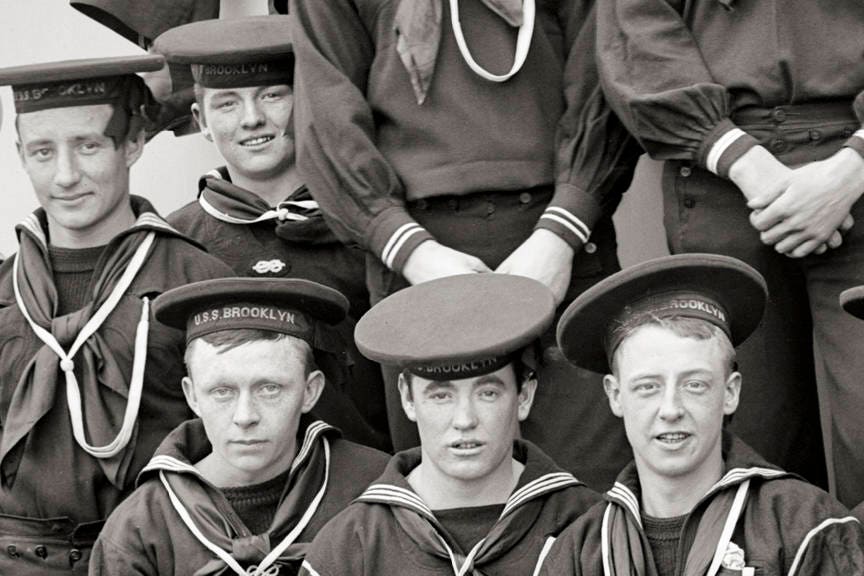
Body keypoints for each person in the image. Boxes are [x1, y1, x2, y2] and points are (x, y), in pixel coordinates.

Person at [289, 0, 640, 489]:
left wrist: (562, 231)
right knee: (449, 495)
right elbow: (325, 115)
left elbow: (606, 76)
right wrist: (408, 248)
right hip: (421, 259)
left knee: (586, 486)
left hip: (559, 249)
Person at [596, 0, 864, 502]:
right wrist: (749, 165)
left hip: (854, 165)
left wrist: (853, 168)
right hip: (722, 174)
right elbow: (636, 27)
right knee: (749, 440)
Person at [0, 55, 232, 574]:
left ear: (132, 144)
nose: (65, 176)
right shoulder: (2, 288)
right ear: (20, 155)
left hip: (154, 553)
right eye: (42, 151)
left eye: (87, 146)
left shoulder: (201, 283)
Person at [537, 253, 864, 575]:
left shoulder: (806, 527)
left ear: (730, 392)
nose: (670, 410)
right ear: (615, 395)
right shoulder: (578, 554)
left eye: (694, 384)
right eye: (647, 387)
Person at [152, 16, 389, 450]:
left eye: (273, 96)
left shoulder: (368, 226)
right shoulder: (173, 242)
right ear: (199, 119)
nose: (252, 119)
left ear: (307, 105)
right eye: (227, 104)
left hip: (363, 481)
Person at [299, 273, 600, 575]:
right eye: (441, 395)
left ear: (524, 395)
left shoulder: (589, 527)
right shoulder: (351, 545)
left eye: (488, 393)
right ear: (407, 397)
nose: (465, 420)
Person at [90, 277, 390, 575]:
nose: (245, 416)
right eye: (222, 392)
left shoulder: (374, 491)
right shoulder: (141, 525)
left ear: (309, 391)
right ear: (192, 395)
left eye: (269, 389)